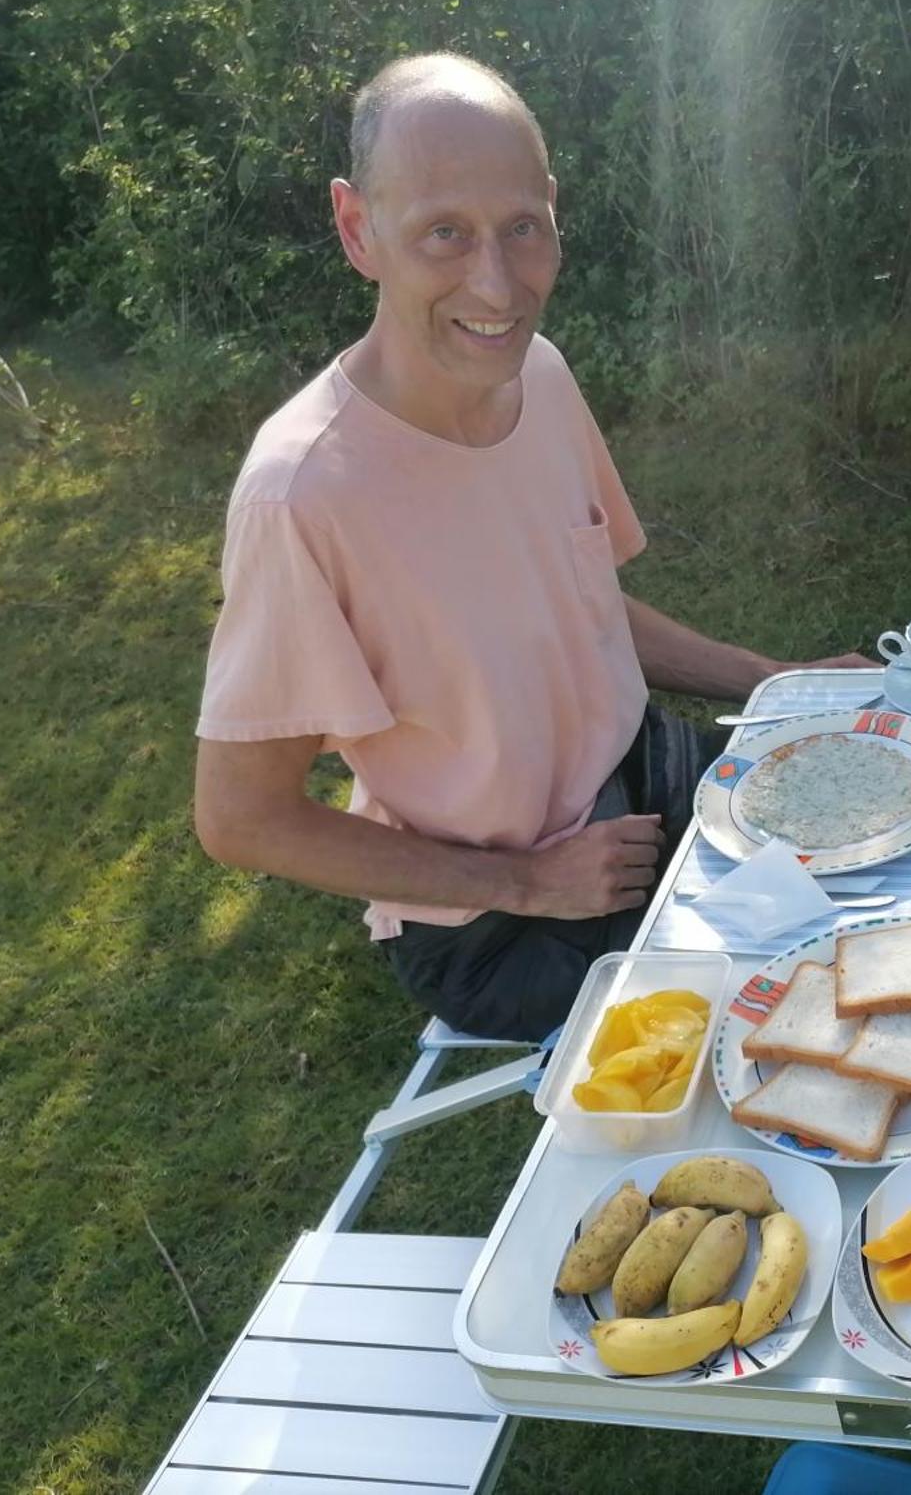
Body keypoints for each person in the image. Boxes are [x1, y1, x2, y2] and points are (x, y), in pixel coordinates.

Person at [193, 54, 867, 1041]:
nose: (496, 284)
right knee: (807, 1013)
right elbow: (240, 818)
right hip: (502, 920)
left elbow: (577, 603)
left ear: (552, 210)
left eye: (521, 228)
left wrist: (785, 683)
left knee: (877, 845)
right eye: (443, 234)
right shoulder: (302, 498)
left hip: (646, 779)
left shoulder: (538, 376)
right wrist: (527, 879)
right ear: (357, 228)